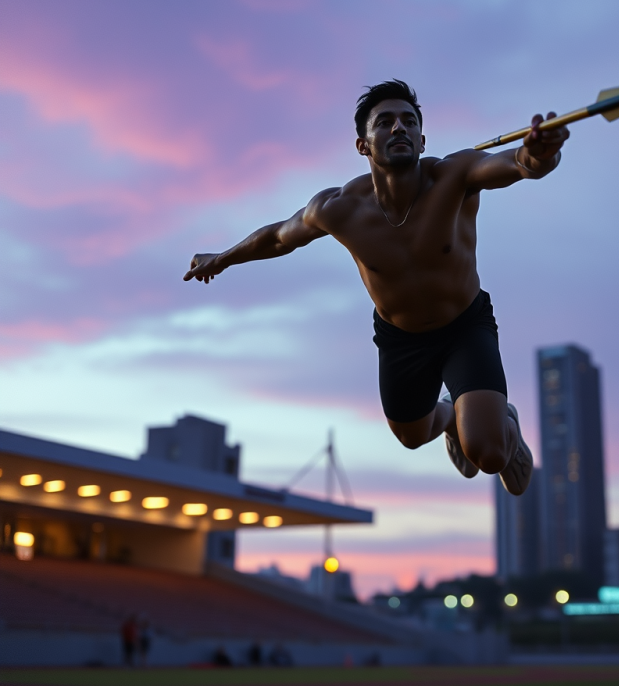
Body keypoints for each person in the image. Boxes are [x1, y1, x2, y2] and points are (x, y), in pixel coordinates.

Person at [184, 81, 569, 495]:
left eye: (409, 121)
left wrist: (540, 153)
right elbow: (278, 237)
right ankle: (450, 420)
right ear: (363, 145)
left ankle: (502, 425)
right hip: (400, 338)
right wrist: (222, 257)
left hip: (464, 327)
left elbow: (517, 164)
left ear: (422, 140)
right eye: (385, 122)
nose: (399, 128)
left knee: (488, 454)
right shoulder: (339, 209)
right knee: (411, 434)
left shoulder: (455, 174)